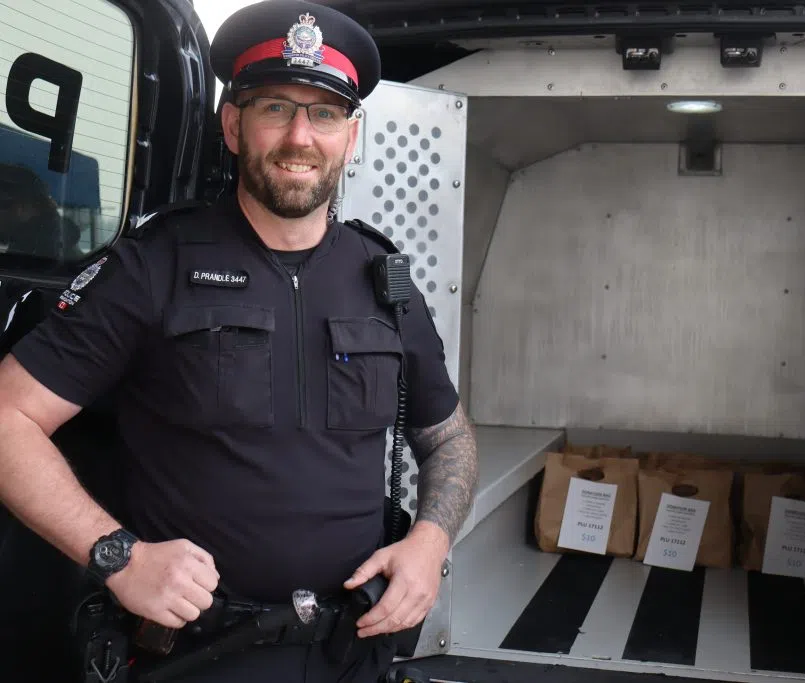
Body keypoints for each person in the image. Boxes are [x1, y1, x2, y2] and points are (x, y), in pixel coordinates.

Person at [0, 1, 479, 681]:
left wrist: (431, 541)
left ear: (352, 134)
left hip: (354, 654)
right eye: (275, 108)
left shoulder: (383, 282)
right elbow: (7, 417)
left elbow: (449, 437)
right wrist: (119, 556)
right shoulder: (153, 266)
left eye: (323, 113)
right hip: (197, 658)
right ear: (232, 124)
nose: (299, 137)